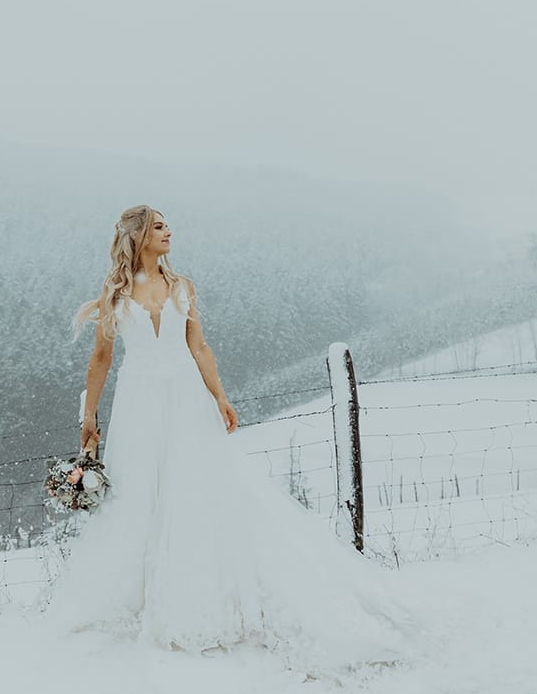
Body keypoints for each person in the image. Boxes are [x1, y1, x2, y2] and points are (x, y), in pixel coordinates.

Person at [43, 205, 410, 668]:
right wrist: (89, 417)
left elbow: (198, 346)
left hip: (184, 397)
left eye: (167, 225)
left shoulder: (182, 287)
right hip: (137, 402)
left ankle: (196, 588)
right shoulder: (115, 293)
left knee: (194, 489)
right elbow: (100, 359)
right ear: (138, 237)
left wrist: (220, 397)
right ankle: (134, 595)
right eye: (159, 226)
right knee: (138, 493)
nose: (169, 231)